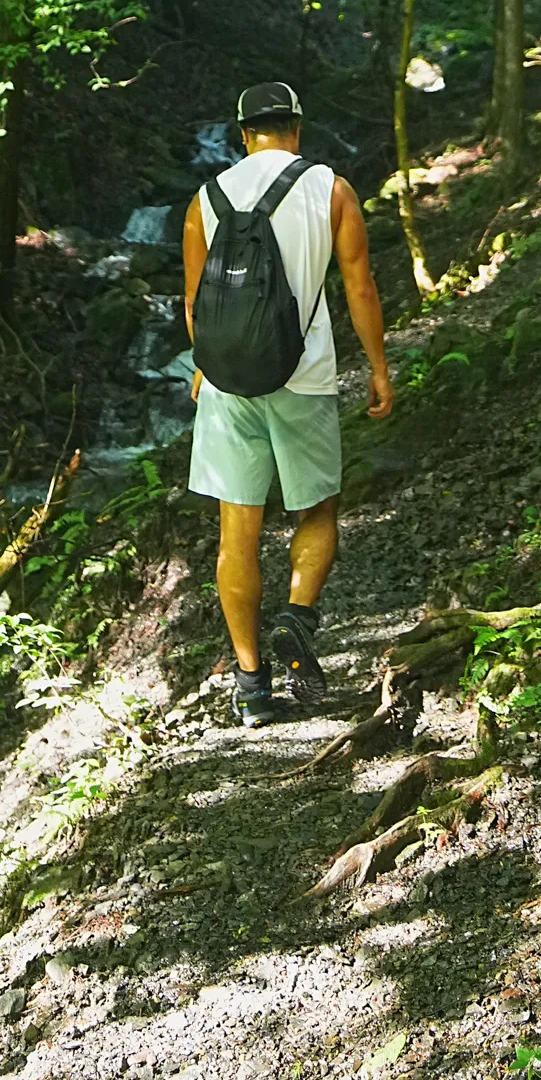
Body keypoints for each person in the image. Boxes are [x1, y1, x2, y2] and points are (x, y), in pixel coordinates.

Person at [183, 79, 393, 725]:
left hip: (225, 387)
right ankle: (297, 617)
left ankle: (251, 687)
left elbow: (195, 305)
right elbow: (359, 286)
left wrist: (205, 368)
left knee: (235, 533)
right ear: (297, 129)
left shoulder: (204, 200)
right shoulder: (331, 189)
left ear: (243, 135)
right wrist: (379, 368)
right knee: (318, 509)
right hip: (304, 379)